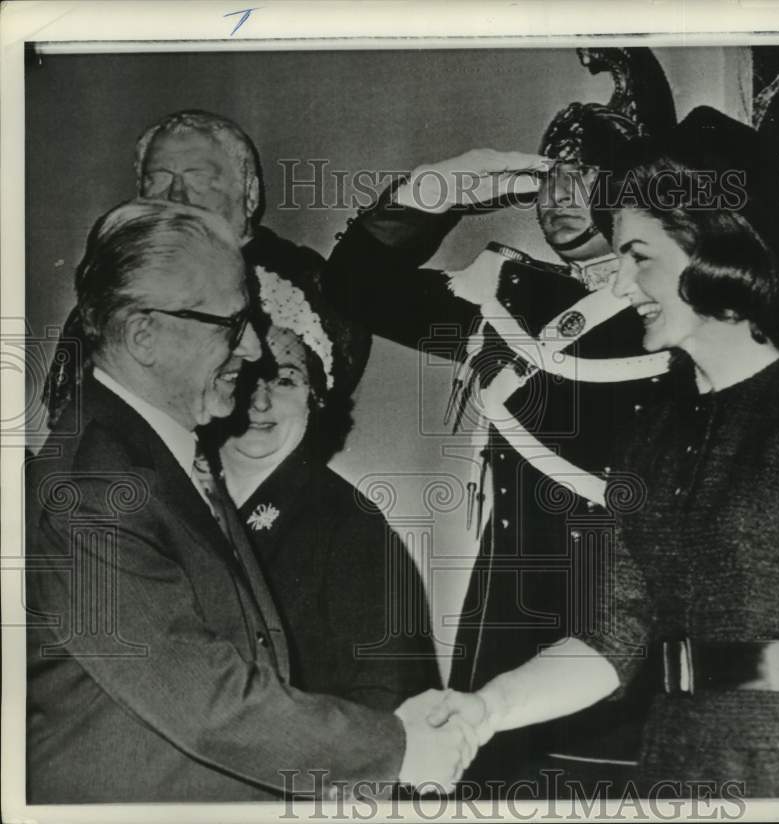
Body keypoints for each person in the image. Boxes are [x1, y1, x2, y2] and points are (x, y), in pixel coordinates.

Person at [433, 106, 779, 799]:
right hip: (673, 764)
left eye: (638, 257)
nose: (620, 286)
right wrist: (484, 710)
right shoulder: (648, 439)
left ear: (715, 250)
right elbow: (612, 639)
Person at [25, 199, 476, 803]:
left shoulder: (163, 458)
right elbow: (203, 702)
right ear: (143, 334)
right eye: (232, 326)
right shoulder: (96, 485)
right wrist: (398, 747)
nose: (254, 351)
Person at [323, 48, 679, 793]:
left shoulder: (675, 312)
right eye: (550, 177)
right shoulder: (512, 299)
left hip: (626, 615)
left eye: (582, 176)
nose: (558, 195)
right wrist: (442, 187)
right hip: (511, 610)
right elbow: (354, 286)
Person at [43, 109, 371, 438]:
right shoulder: (113, 290)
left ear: (250, 194)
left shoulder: (304, 286)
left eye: (200, 182)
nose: (176, 197)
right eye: (157, 181)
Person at [203, 266, 440, 707]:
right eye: (246, 377)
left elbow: (388, 698)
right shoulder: (174, 492)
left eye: (286, 379)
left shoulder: (348, 523)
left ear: (315, 397)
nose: (260, 401)